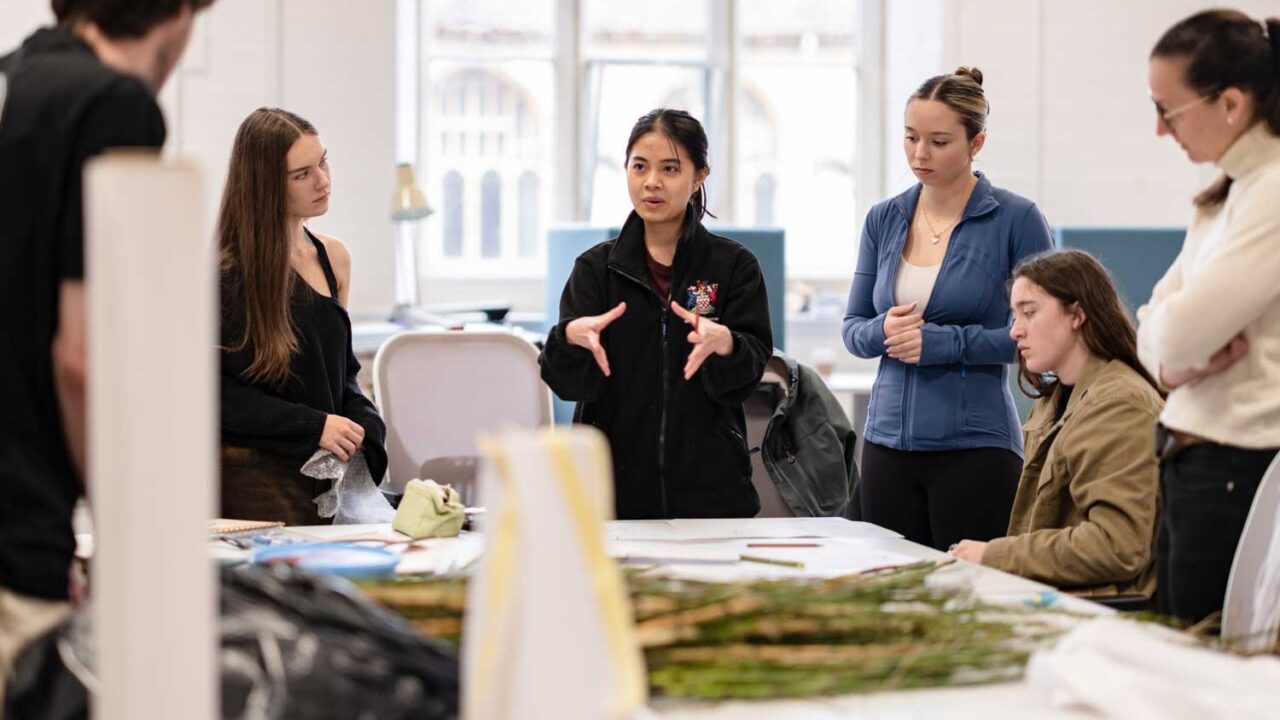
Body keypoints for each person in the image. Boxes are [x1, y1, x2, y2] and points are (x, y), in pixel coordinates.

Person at [0, 0, 214, 698]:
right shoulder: (112, 105)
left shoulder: (19, 79)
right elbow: (83, 359)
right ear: (179, 13)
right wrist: (130, 549)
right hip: (18, 524)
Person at [841, 67, 1054, 551]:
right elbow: (853, 328)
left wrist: (942, 343)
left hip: (975, 446)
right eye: (911, 137)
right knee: (891, 587)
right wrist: (883, 330)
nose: (920, 154)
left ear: (976, 143)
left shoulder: (1016, 219)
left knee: (970, 591)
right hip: (886, 444)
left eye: (939, 142)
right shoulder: (883, 218)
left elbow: (1040, 333)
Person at [540, 108, 772, 519]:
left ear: (699, 176)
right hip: (609, 496)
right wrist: (568, 340)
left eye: (670, 168)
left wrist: (729, 345)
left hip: (713, 497)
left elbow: (746, 377)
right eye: (640, 166)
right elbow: (567, 384)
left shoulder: (734, 266)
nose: (651, 182)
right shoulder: (596, 269)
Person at [1138, 9, 1280, 623]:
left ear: (1230, 104)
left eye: (1168, 111)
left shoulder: (1271, 191)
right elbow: (1151, 328)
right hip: (1189, 456)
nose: (1160, 130)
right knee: (1179, 640)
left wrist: (1170, 346)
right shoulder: (1229, 191)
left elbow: (1174, 330)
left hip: (1235, 467)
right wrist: (1174, 365)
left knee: (1206, 652)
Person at [950, 250, 1164, 600]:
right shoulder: (1052, 402)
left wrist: (995, 555)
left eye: (1029, 313)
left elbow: (1117, 545)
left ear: (1076, 315)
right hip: (1054, 594)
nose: (1014, 331)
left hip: (1099, 607)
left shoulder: (1119, 404)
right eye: (1014, 315)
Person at [218, 107, 387, 525]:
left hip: (327, 477)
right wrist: (313, 426)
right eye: (302, 174)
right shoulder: (226, 276)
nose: (323, 181)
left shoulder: (334, 258)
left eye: (323, 163)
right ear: (265, 186)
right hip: (260, 484)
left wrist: (366, 426)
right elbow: (215, 394)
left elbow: (341, 374)